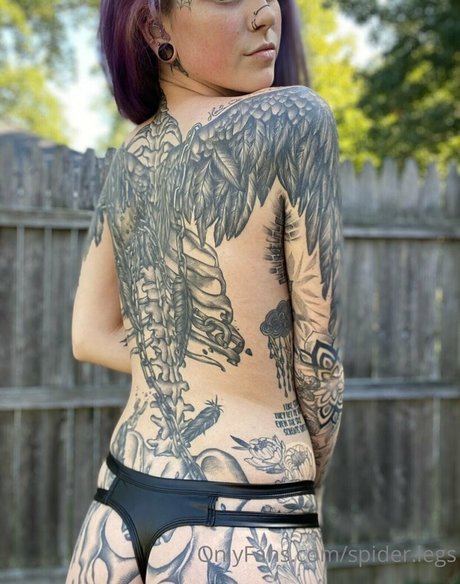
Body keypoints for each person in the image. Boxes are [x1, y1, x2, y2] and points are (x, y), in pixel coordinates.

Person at [66, 0, 345, 580]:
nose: (266, 14)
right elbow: (318, 363)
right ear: (154, 26)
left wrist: (189, 366)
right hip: (244, 517)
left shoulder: (131, 156)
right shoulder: (297, 118)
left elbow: (89, 335)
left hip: (116, 502)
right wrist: (303, 487)